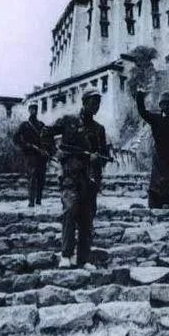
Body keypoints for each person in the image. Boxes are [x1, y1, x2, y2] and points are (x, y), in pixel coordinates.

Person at [49, 89, 109, 269]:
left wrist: (98, 159)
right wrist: (55, 152)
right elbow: (46, 133)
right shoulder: (69, 121)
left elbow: (104, 154)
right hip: (70, 175)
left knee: (87, 218)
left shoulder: (99, 129)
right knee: (70, 211)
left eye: (98, 102)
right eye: (93, 102)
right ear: (84, 102)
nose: (96, 106)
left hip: (89, 179)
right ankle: (66, 255)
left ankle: (83, 258)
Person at [136, 89, 169, 208]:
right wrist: (140, 95)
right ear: (160, 105)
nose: (165, 106)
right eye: (163, 103)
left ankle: (167, 202)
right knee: (156, 179)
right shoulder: (155, 118)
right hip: (159, 152)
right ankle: (154, 203)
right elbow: (143, 112)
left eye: (167, 103)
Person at [13, 102, 50, 207]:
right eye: (32, 109)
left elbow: (47, 139)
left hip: (41, 155)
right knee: (32, 177)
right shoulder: (24, 125)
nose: (34, 111)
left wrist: (46, 150)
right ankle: (31, 201)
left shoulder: (41, 125)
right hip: (30, 155)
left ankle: (39, 200)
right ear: (29, 110)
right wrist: (26, 146)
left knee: (41, 178)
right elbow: (16, 138)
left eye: (35, 109)